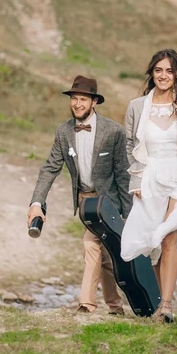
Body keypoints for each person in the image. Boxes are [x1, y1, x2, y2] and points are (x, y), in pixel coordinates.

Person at [27, 75, 132, 315]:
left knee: (91, 245)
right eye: (74, 99)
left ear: (94, 102)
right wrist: (36, 203)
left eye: (83, 99)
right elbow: (50, 168)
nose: (77, 104)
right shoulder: (63, 132)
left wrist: (129, 215)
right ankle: (116, 308)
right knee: (103, 255)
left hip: (109, 203)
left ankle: (86, 305)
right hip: (85, 202)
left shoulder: (114, 132)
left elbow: (123, 176)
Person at [121, 49, 177, 323]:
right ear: (152, 73)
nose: (164, 76)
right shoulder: (136, 107)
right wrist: (135, 182)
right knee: (155, 245)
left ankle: (167, 305)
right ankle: (160, 304)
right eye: (159, 70)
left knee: (169, 236)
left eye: (169, 71)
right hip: (149, 179)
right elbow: (129, 147)